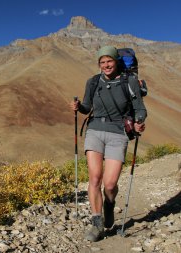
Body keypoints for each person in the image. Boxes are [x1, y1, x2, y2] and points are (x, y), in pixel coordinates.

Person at [69, 46, 147, 242]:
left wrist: (139, 122)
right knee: (95, 178)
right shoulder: (93, 81)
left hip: (118, 132)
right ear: (99, 64)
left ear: (115, 61)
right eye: (102, 62)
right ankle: (97, 224)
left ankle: (109, 204)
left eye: (109, 61)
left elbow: (140, 108)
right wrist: (78, 107)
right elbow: (87, 107)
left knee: (110, 184)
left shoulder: (128, 81)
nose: (106, 65)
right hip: (95, 130)